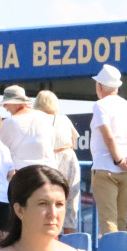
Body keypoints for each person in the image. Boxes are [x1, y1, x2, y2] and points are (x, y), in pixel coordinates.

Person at [90, 64, 127, 235]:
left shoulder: (100, 105)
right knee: (122, 220)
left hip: (105, 167)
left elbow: (108, 136)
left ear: (99, 86)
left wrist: (119, 160)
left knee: (108, 220)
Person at [33, 91, 81, 233]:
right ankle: (70, 239)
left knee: (48, 200)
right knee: (71, 201)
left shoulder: (36, 121)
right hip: (68, 158)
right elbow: (73, 142)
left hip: (48, 160)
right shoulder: (64, 119)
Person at [0, 85, 55, 171]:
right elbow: (52, 142)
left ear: (14, 103)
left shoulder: (9, 122)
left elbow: (2, 149)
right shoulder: (45, 117)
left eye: (6, 103)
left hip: (24, 172)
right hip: (50, 169)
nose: (5, 107)